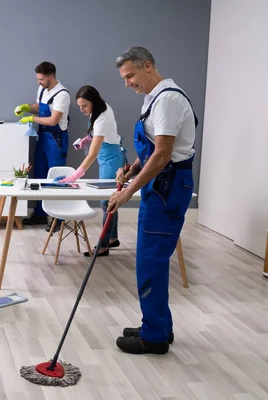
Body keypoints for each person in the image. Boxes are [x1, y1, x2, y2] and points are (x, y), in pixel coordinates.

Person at [108, 46, 197, 354]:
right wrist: (132, 167)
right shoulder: (154, 98)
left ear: (148, 66)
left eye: (130, 75)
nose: (127, 83)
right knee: (151, 260)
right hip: (160, 185)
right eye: (124, 77)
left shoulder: (168, 99)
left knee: (151, 262)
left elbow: (162, 155)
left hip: (167, 186)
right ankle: (157, 324)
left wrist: (127, 191)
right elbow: (150, 149)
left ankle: (155, 337)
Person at [57, 85, 127, 257]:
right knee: (111, 200)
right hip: (106, 157)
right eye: (79, 106)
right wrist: (86, 140)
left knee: (107, 203)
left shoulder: (103, 118)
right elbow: (97, 135)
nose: (81, 110)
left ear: (94, 102)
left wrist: (75, 175)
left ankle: (103, 246)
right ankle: (112, 237)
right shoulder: (100, 108)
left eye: (84, 106)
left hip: (111, 160)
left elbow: (93, 154)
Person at [14, 61, 70, 232]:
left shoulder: (62, 94)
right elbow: (38, 107)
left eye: (41, 79)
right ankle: (40, 214)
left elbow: (53, 119)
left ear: (51, 77)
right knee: (39, 174)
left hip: (56, 138)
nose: (39, 82)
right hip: (43, 136)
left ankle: (58, 219)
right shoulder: (43, 89)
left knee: (57, 178)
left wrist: (32, 119)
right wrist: (27, 108)